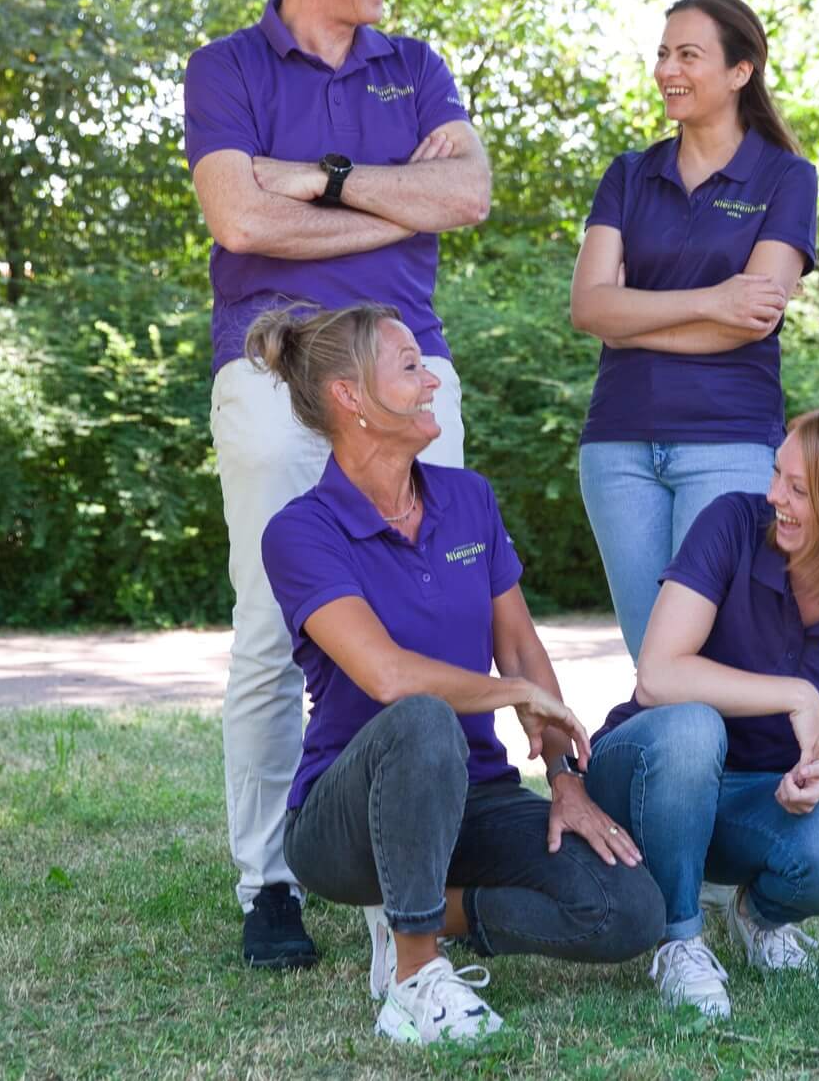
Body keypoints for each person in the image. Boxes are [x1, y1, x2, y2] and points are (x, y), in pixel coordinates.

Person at [185, 0, 492, 970]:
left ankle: (410, 882)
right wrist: (386, 198)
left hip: (409, 367)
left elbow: (464, 197)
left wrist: (311, 181)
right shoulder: (226, 68)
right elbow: (237, 220)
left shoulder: (417, 67)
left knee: (427, 623)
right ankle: (268, 881)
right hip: (271, 366)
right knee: (277, 625)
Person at [250, 302, 663, 1043]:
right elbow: (387, 676)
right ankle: (415, 976)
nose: (432, 380)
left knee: (628, 909)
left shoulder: (468, 499)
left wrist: (564, 778)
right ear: (349, 396)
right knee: (420, 716)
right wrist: (514, 694)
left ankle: (427, 911)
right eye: (410, 367)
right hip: (349, 822)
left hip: (475, 796)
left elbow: (522, 649)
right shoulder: (300, 532)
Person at [585, 404, 819, 1018]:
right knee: (694, 726)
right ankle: (679, 939)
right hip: (644, 777)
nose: (774, 497)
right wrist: (795, 693)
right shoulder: (732, 524)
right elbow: (659, 675)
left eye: (798, 489)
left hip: (752, 797)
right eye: (777, 475)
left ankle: (758, 916)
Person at [569, 0, 818, 659]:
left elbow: (752, 320)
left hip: (729, 442)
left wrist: (630, 319)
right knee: (654, 663)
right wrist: (713, 299)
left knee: (717, 658)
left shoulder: (787, 178)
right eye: (662, 54)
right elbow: (588, 308)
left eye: (687, 55)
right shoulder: (628, 174)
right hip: (619, 446)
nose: (666, 70)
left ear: (740, 71)